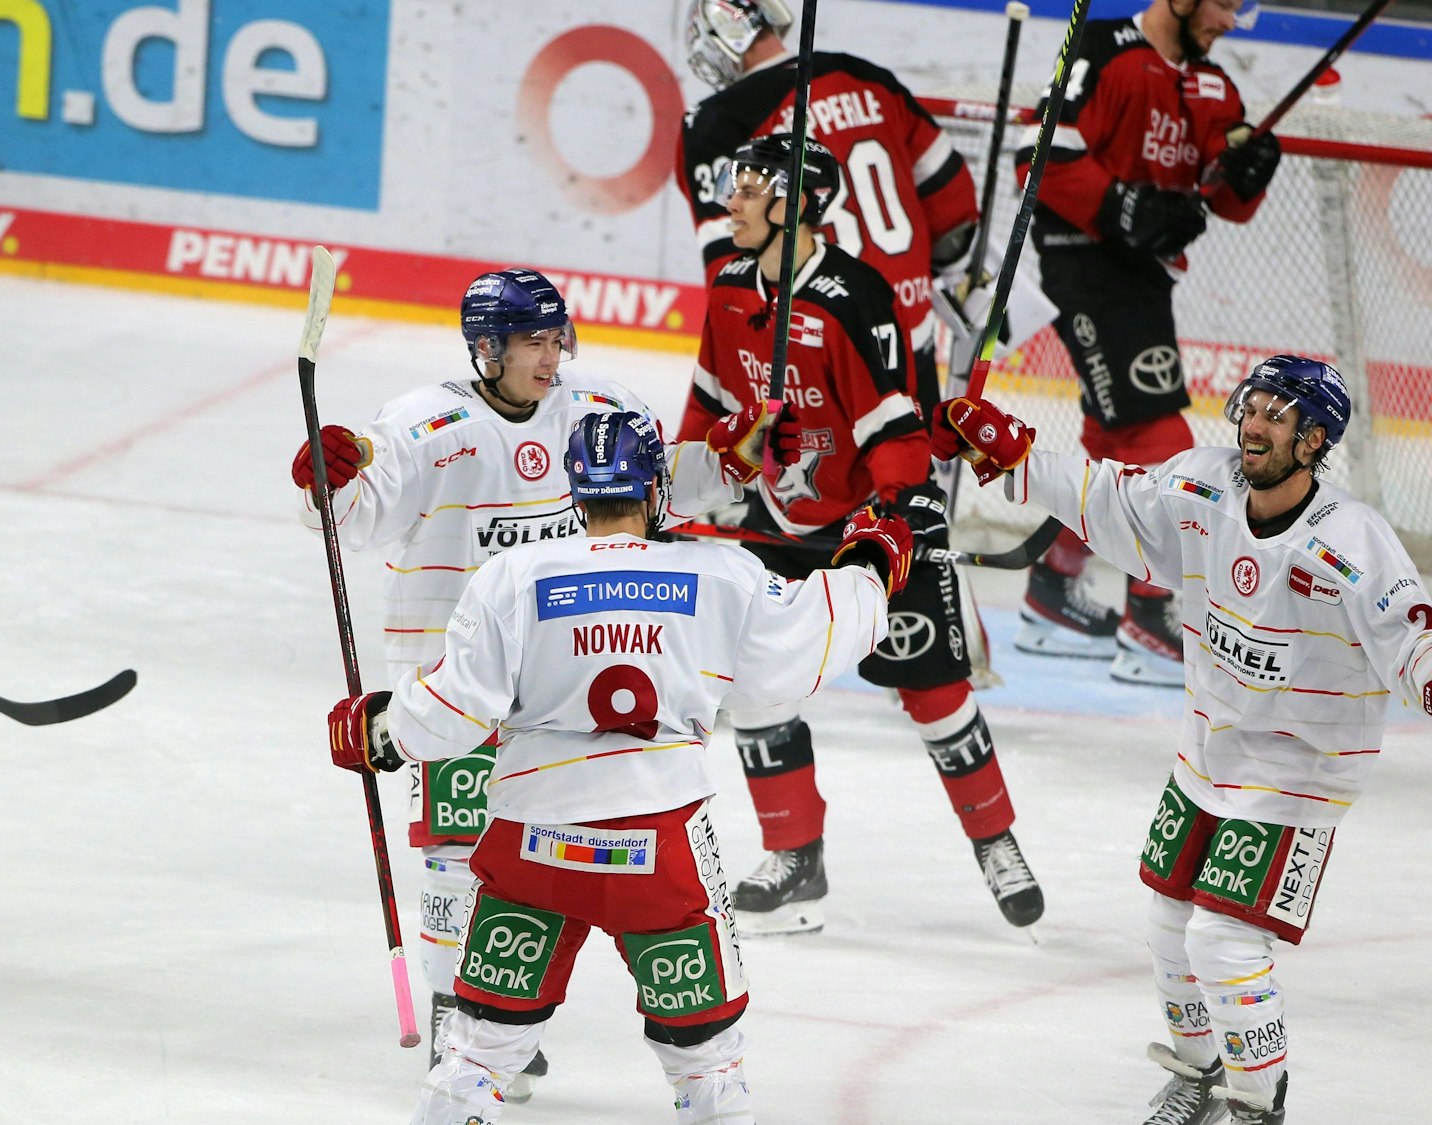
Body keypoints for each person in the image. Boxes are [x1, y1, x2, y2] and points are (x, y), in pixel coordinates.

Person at [325, 410, 914, 1124]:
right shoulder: (717, 570)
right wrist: (871, 563)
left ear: (578, 493)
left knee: (476, 1057)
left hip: (532, 849)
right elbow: (804, 646)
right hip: (657, 852)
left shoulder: (514, 575)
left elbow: (453, 709)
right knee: (708, 1068)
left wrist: (379, 728)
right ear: (656, 487)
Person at [290, 269, 772, 1088]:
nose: (551, 357)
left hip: (556, 687)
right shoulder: (425, 424)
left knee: (529, 859)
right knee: (453, 854)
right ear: (486, 346)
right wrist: (326, 480)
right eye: (531, 343)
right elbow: (352, 512)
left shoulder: (596, 405)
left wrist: (734, 460)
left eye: (557, 339)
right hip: (458, 679)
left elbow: (660, 480)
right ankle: (459, 1013)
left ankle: (492, 1012)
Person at [933, 356, 1432, 1125]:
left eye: (1277, 414)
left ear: (1314, 441)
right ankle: (1198, 1074)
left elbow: (1413, 641)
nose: (1254, 423)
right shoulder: (1202, 485)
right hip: (1208, 750)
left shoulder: (1351, 543)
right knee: (1168, 926)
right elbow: (1105, 497)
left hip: (1300, 772)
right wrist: (1016, 457)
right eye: (1253, 405)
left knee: (1224, 942)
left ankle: (1258, 1106)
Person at [677, 133, 1043, 935]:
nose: (730, 203)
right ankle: (794, 854)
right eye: (734, 187)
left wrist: (897, 502)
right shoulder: (730, 287)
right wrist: (683, 488)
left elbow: (893, 424)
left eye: (747, 189)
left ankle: (996, 841)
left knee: (934, 689)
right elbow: (707, 407)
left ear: (793, 203)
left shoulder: (853, 296)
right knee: (758, 682)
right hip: (778, 521)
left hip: (873, 522)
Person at [1015, 0, 1279, 686]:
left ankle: (1051, 594)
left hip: (1141, 277)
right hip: (1085, 259)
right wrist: (1122, 204)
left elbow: (1225, 195)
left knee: (1113, 440)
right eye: (1224, 6)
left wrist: (1249, 170)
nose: (1229, 23)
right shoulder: (1105, 51)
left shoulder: (1214, 86)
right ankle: (1151, 615)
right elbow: (1040, 156)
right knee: (1157, 439)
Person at [678, 0, 981, 426]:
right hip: (911, 331)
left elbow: (732, 263)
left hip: (817, 351)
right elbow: (950, 194)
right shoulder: (867, 77)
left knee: (802, 488)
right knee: (910, 479)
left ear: (726, 38)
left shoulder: (717, 123)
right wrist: (958, 274)